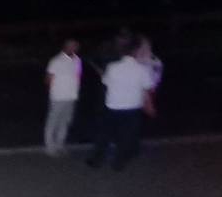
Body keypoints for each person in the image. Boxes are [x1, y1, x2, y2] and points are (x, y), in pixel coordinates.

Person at [87, 37, 156, 171]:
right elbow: (147, 89)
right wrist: (149, 105)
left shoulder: (113, 67)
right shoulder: (142, 69)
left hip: (113, 106)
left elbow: (106, 82)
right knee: (126, 136)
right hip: (132, 107)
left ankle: (97, 160)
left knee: (104, 134)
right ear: (135, 52)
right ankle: (118, 163)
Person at [43, 37, 83, 156]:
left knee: (65, 122)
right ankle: (50, 146)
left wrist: (75, 89)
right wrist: (54, 92)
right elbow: (48, 79)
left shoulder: (77, 60)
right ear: (65, 47)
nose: (75, 48)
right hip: (58, 97)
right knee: (53, 121)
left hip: (71, 96)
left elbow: (78, 75)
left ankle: (60, 144)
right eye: (72, 46)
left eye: (76, 46)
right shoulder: (56, 61)